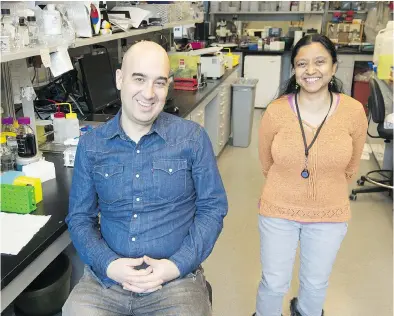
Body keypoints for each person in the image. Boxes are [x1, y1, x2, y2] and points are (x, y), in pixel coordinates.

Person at [63, 41, 228, 316]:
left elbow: (213, 208)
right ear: (119, 79)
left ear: (168, 85)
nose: (149, 93)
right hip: (106, 282)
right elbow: (80, 218)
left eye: (159, 83)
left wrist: (176, 265)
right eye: (139, 79)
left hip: (175, 281)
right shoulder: (92, 145)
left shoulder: (192, 139)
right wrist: (109, 264)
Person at [255, 34, 368, 316]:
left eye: (320, 62)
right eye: (302, 64)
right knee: (273, 283)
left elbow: (352, 166)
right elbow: (266, 161)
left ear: (333, 67)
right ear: (294, 70)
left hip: (329, 213)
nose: (311, 70)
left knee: (315, 284)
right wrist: (290, 186)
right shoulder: (276, 110)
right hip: (278, 210)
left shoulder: (353, 112)